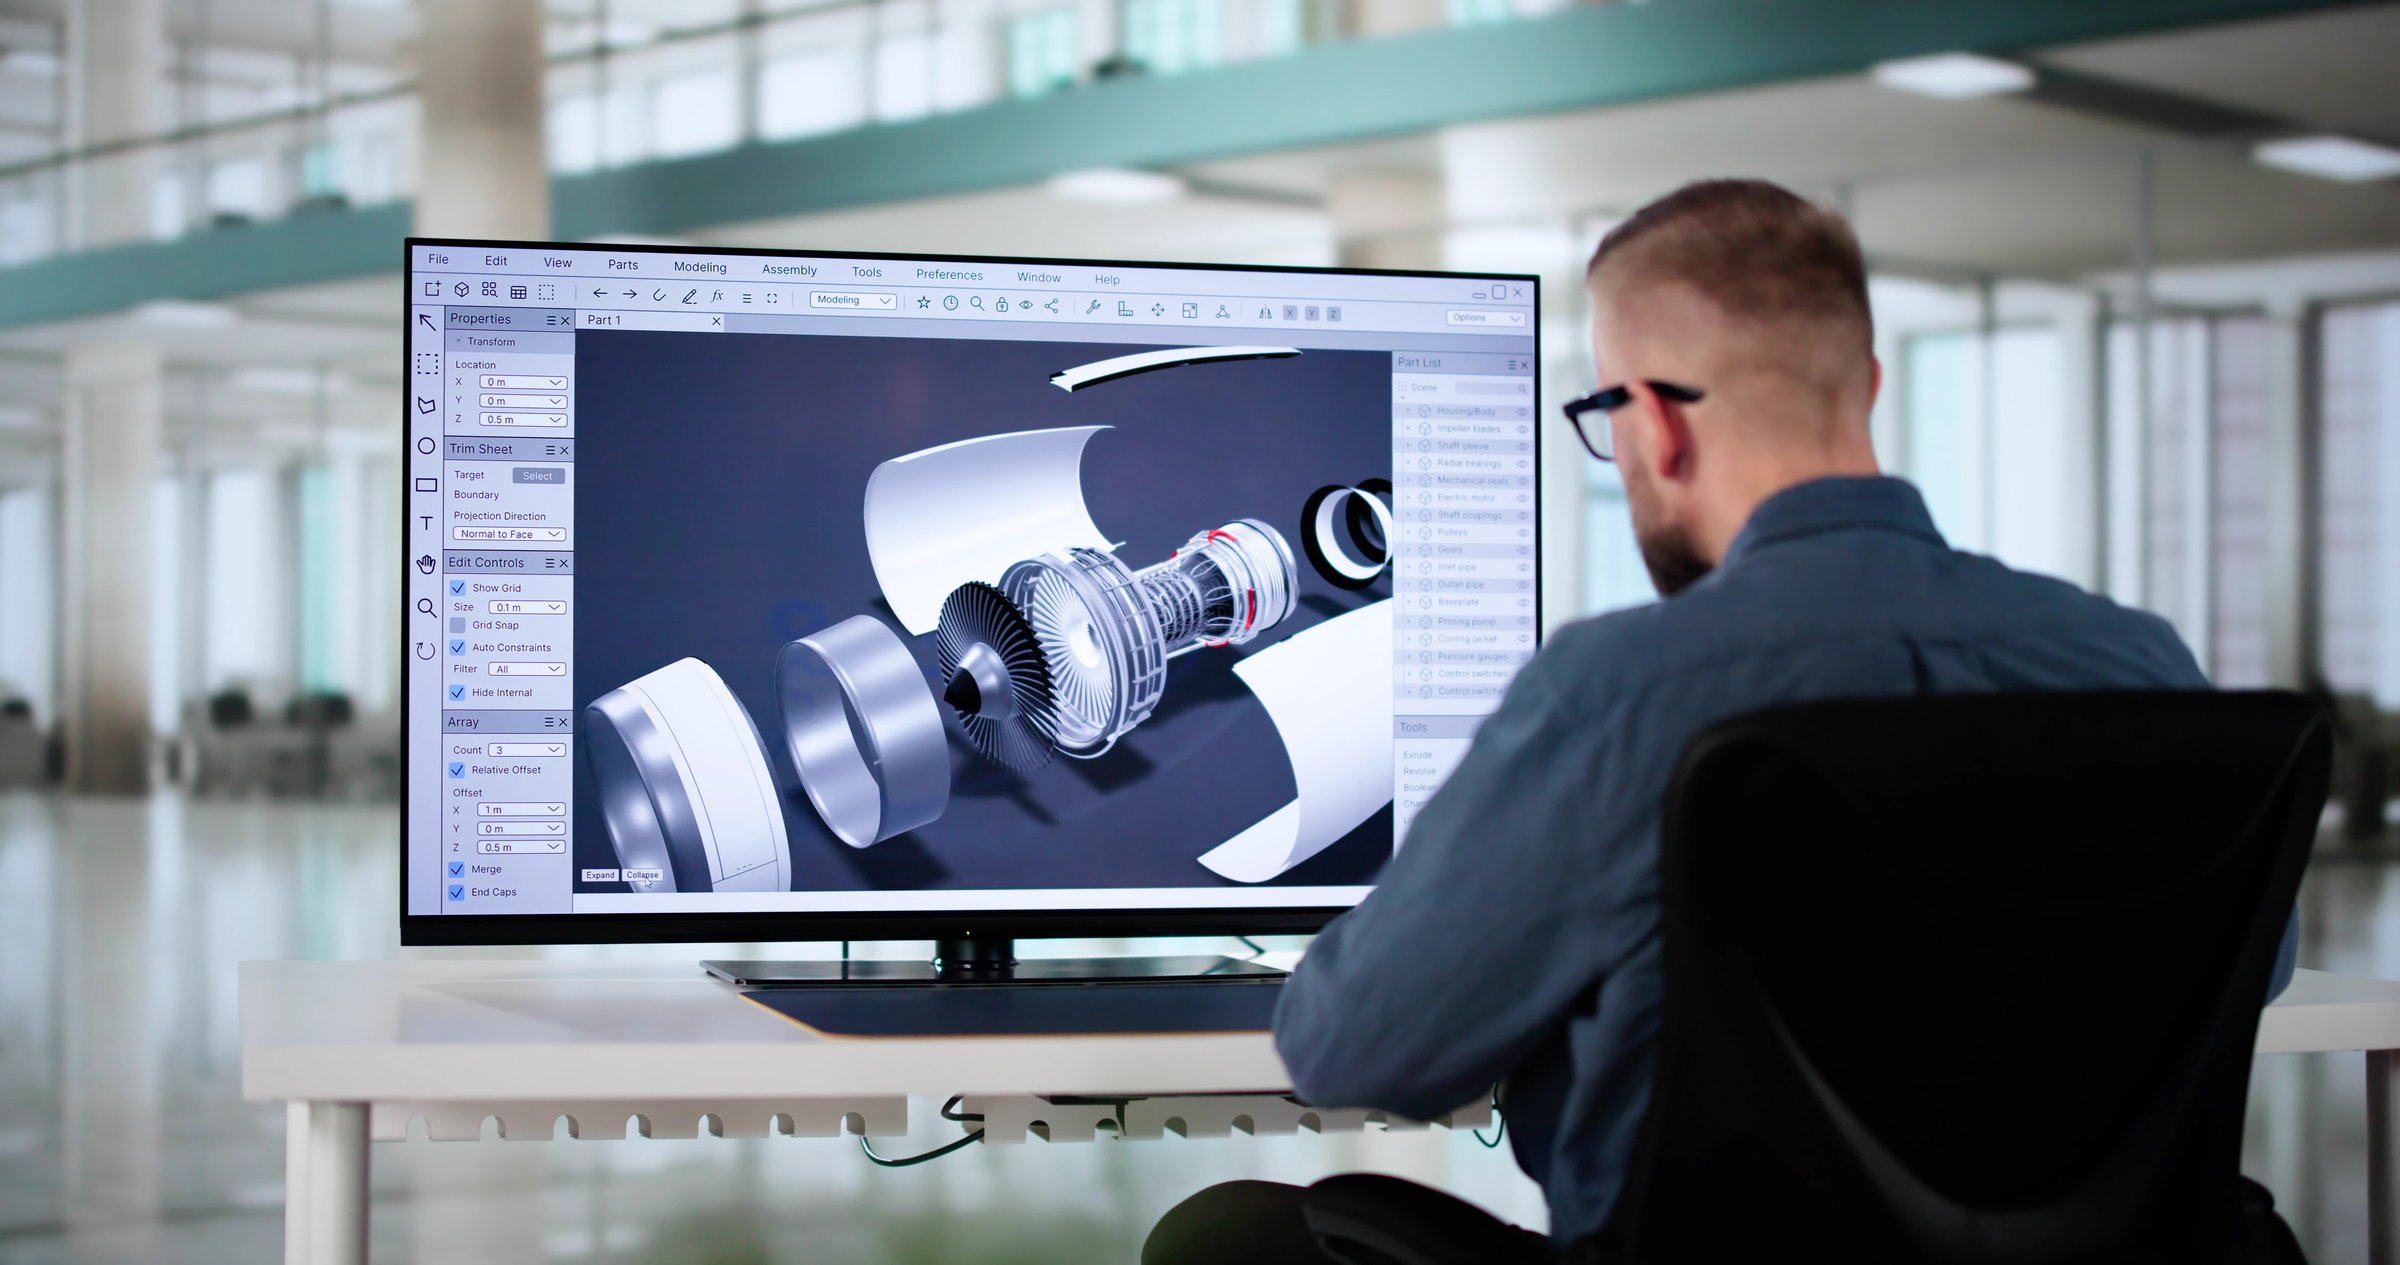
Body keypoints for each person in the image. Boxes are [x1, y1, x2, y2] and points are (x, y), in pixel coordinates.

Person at [1143, 178, 2298, 1263]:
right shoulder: (2136, 660)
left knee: (1226, 1237)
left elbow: (1357, 1043)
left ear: (1654, 423)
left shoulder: (1623, 693)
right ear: (1871, 390)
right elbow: (2264, 959)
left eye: (1603, 412)